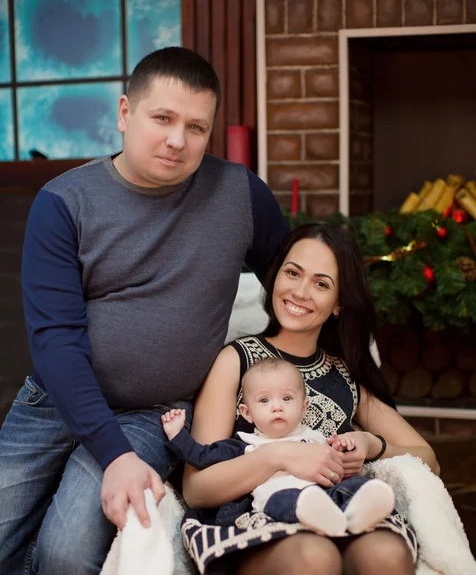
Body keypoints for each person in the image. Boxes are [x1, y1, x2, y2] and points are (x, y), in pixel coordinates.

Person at [0, 47, 289, 575]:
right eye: (162, 118)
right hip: (54, 400)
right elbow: (56, 342)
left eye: (196, 127)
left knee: (66, 554)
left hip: (155, 414)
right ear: (125, 113)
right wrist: (113, 456)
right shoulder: (63, 203)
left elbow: (294, 289)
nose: (178, 140)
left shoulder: (241, 195)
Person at [181, 223, 440, 575]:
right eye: (293, 273)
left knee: (386, 555)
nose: (300, 292)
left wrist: (370, 443)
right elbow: (196, 488)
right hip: (259, 518)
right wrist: (281, 455)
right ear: (275, 278)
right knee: (314, 557)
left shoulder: (346, 375)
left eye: (321, 283)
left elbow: (428, 458)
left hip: (341, 511)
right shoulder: (236, 361)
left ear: (339, 304)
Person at [162, 358, 395, 537]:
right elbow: (201, 456)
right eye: (264, 401)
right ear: (247, 413)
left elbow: (336, 461)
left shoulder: (315, 437)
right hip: (278, 502)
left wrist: (345, 446)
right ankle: (322, 514)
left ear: (304, 408)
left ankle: (363, 506)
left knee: (353, 486)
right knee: (290, 500)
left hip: (325, 493)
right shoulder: (245, 445)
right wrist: (177, 434)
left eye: (287, 399)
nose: (277, 407)